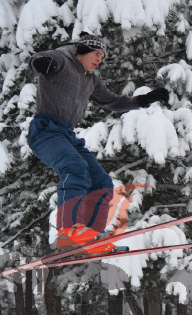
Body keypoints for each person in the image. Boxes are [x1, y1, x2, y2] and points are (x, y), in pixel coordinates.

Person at [27, 32, 169, 253]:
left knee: (101, 182)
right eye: (95, 54)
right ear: (81, 51)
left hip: (66, 134)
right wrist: (39, 63)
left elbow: (112, 101)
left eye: (102, 57)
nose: (98, 60)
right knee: (74, 168)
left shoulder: (90, 79)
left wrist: (144, 100)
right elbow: (40, 60)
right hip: (45, 131)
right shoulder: (61, 59)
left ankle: (91, 237)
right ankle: (70, 230)